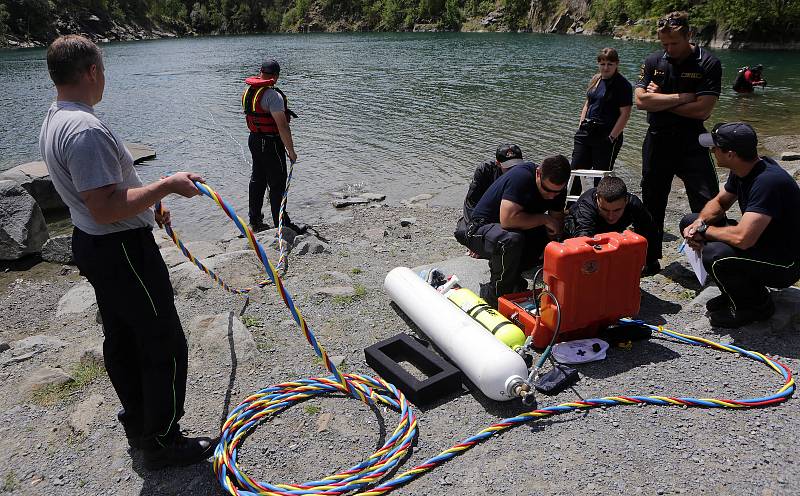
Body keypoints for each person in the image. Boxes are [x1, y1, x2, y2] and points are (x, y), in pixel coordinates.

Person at [39, 35, 216, 469]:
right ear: (92, 71)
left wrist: (151, 204)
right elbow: (104, 207)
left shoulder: (57, 118)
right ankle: (161, 441)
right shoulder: (84, 130)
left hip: (99, 246)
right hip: (121, 250)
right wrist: (166, 184)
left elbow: (104, 194)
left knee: (123, 338)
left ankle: (139, 422)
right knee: (164, 341)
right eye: (103, 68)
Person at [680, 122, 800, 328]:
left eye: (715, 147)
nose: (712, 151)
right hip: (762, 242)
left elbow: (744, 239)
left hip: (785, 262)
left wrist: (705, 232)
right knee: (689, 221)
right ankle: (736, 293)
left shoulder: (768, 182)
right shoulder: (744, 168)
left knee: (715, 255)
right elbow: (720, 202)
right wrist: (699, 223)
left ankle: (756, 307)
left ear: (731, 154)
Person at [635, 11, 722, 269]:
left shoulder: (707, 63)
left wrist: (660, 102)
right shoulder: (653, 61)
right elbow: (640, 101)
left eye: (674, 43)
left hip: (691, 140)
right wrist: (682, 98)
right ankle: (650, 260)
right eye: (664, 44)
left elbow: (703, 110)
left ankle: (712, 259)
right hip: (657, 140)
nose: (669, 49)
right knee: (652, 200)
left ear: (689, 36)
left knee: (707, 198)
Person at [463, 155, 571, 307]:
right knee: (511, 240)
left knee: (561, 240)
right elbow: (508, 220)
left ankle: (513, 280)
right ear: (538, 173)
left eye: (557, 192)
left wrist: (554, 238)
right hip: (478, 228)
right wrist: (545, 219)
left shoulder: (558, 189)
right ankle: (493, 294)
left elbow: (556, 222)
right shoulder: (521, 177)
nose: (551, 195)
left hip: (515, 229)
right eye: (546, 189)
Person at [243, 58, 306, 234]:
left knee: (257, 180)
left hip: (254, 139)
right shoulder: (273, 96)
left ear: (260, 72)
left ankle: (255, 221)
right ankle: (282, 224)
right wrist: (291, 151)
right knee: (277, 183)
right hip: (270, 143)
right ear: (276, 76)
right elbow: (282, 126)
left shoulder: (250, 90)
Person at [566, 176, 660, 276]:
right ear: (597, 199)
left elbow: (650, 229)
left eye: (617, 210)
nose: (611, 216)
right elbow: (583, 237)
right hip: (579, 229)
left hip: (613, 228)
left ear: (626, 200)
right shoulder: (586, 206)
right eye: (605, 209)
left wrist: (650, 259)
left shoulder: (634, 204)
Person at [569, 48, 633, 196]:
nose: (605, 68)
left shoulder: (622, 85)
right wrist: (581, 125)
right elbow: (588, 103)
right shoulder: (596, 79)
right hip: (586, 133)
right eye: (602, 63)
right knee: (576, 172)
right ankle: (570, 208)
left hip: (607, 136)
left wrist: (611, 137)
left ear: (616, 64)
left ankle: (601, 208)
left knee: (601, 177)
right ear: (598, 63)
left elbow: (625, 114)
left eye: (610, 64)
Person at [454, 144, 524, 246]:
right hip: (486, 212)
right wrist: (475, 231)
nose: (513, 170)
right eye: (508, 167)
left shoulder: (525, 174)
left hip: (509, 214)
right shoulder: (485, 170)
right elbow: (471, 203)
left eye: (516, 166)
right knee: (463, 232)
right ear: (498, 164)